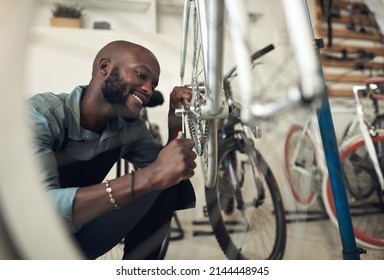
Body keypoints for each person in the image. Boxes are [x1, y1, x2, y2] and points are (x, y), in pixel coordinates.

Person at [27, 40, 197, 260]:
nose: (148, 89)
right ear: (105, 67)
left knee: (166, 186)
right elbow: (40, 211)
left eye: (153, 85)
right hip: (28, 243)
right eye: (141, 75)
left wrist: (176, 115)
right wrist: (149, 178)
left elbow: (169, 170)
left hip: (78, 242)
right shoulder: (40, 115)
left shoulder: (129, 128)